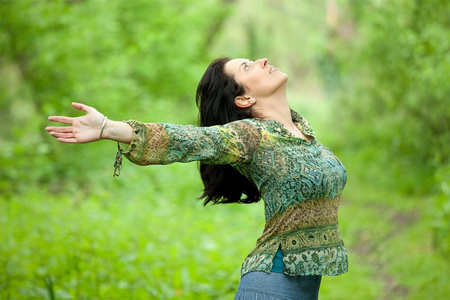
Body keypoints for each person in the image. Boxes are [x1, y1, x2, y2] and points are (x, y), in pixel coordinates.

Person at [46, 57, 348, 299]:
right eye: (248, 66)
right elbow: (190, 139)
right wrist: (109, 128)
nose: (263, 60)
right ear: (243, 99)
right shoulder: (249, 135)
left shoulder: (303, 133)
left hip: (304, 285)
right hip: (272, 283)